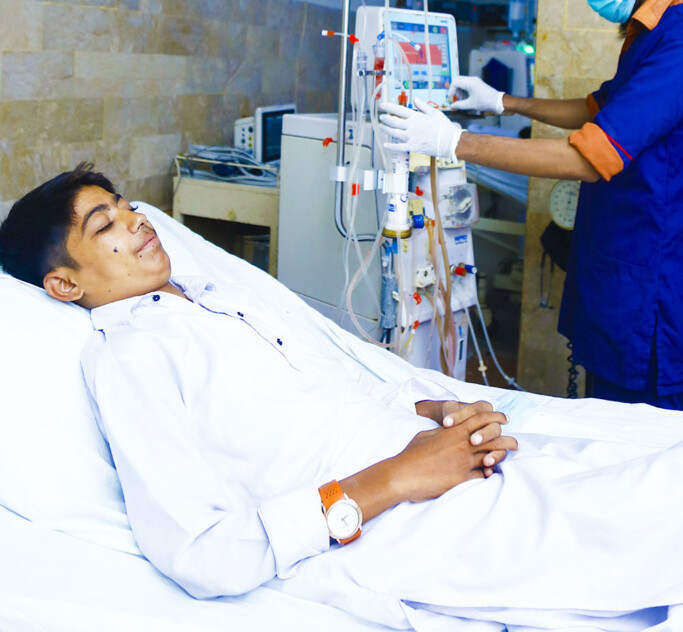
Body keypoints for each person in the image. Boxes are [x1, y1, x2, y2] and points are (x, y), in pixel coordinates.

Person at [0, 163, 682, 632]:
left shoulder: (220, 301)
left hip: (454, 463)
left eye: (126, 205)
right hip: (402, 519)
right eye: (104, 225)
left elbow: (323, 401)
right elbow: (201, 554)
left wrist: (433, 413)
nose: (136, 220)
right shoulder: (134, 358)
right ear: (64, 284)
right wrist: (401, 474)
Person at [380, 0, 683, 410]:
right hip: (620, 272)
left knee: (631, 440)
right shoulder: (648, 32)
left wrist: (453, 142)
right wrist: (502, 101)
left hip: (648, 292)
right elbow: (597, 108)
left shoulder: (677, 38)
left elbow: (589, 156)